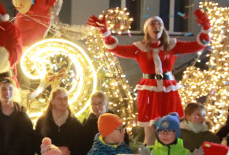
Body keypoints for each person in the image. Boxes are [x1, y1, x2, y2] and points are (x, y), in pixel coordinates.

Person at [87, 13, 210, 142]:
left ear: (162, 28)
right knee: (150, 130)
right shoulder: (139, 48)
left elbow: (199, 45)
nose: (156, 26)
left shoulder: (172, 45)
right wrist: (105, 32)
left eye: (159, 24)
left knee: (171, 128)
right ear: (147, 29)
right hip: (149, 91)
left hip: (168, 90)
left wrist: (206, 29)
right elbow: (116, 49)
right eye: (153, 24)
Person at [35, 87, 87, 155]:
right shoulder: (42, 122)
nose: (63, 102)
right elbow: (36, 145)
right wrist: (56, 150)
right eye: (59, 99)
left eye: (65, 99)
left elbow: (80, 150)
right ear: (52, 101)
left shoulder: (75, 124)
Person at [76, 91, 109, 155]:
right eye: (93, 104)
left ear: (105, 104)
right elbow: (82, 148)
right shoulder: (87, 124)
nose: (97, 107)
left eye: (100, 103)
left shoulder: (114, 121)